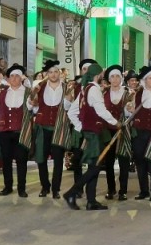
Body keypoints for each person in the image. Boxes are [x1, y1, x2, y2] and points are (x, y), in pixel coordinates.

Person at [62, 62, 121, 210]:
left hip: (91, 133)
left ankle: (91, 201)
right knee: (95, 167)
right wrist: (116, 123)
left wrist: (82, 127)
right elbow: (101, 111)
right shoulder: (93, 90)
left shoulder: (84, 89)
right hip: (94, 134)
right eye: (102, 74)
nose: (103, 76)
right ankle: (72, 192)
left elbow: (71, 112)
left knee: (94, 165)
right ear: (98, 75)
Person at [28, 60, 75, 199]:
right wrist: (32, 102)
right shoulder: (39, 87)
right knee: (41, 159)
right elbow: (33, 107)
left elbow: (68, 108)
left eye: (56, 72)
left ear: (59, 73)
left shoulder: (66, 87)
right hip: (42, 127)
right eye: (50, 72)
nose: (53, 75)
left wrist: (68, 99)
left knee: (58, 160)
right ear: (46, 74)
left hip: (59, 128)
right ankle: (45, 186)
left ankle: (56, 189)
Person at [0, 64, 29, 197]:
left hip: (21, 131)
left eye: (17, 76)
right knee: (6, 160)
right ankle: (8, 186)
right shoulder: (2, 92)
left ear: (22, 78)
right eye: (11, 76)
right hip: (5, 131)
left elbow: (33, 110)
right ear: (9, 78)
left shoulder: (28, 92)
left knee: (21, 160)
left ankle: (22, 188)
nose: (14, 78)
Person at [126, 66, 151, 201]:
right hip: (139, 132)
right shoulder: (137, 94)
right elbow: (129, 109)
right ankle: (144, 190)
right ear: (145, 80)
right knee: (140, 161)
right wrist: (129, 108)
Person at [101, 65, 131, 200]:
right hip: (107, 131)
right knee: (109, 162)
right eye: (112, 76)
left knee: (124, 161)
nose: (115, 79)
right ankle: (111, 188)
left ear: (121, 78)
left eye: (117, 76)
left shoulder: (128, 93)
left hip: (123, 131)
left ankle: (123, 190)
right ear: (108, 79)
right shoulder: (103, 93)